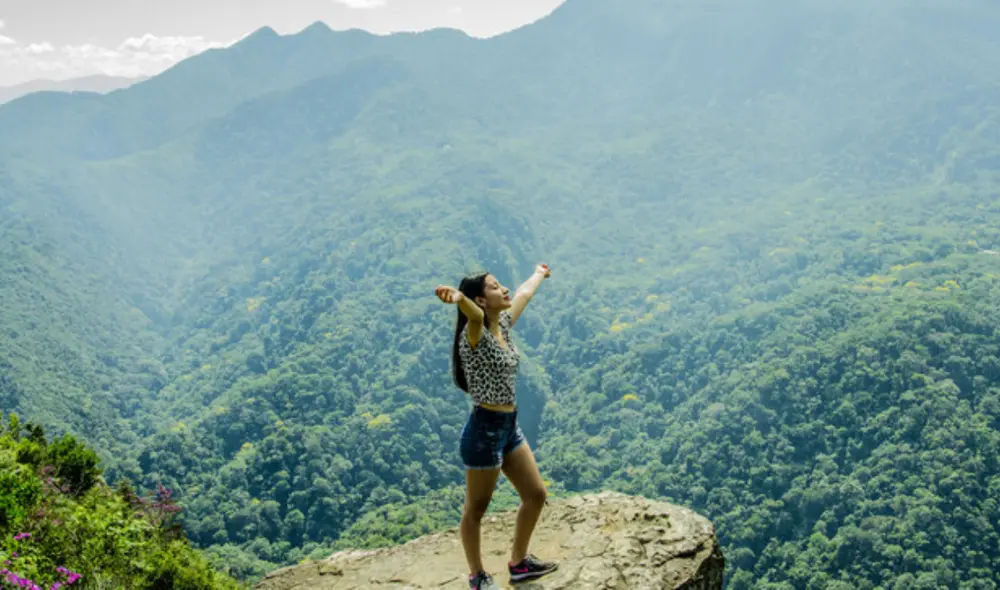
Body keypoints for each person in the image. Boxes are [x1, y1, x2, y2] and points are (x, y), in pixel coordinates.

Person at [435, 264, 559, 589]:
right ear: (481, 298)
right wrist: (460, 298)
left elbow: (523, 294)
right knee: (475, 509)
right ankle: (477, 577)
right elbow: (474, 316)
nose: (503, 289)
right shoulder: (474, 333)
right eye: (494, 287)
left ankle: (518, 564)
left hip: (509, 426)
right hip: (483, 433)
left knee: (535, 494)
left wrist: (539, 272)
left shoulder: (502, 322)